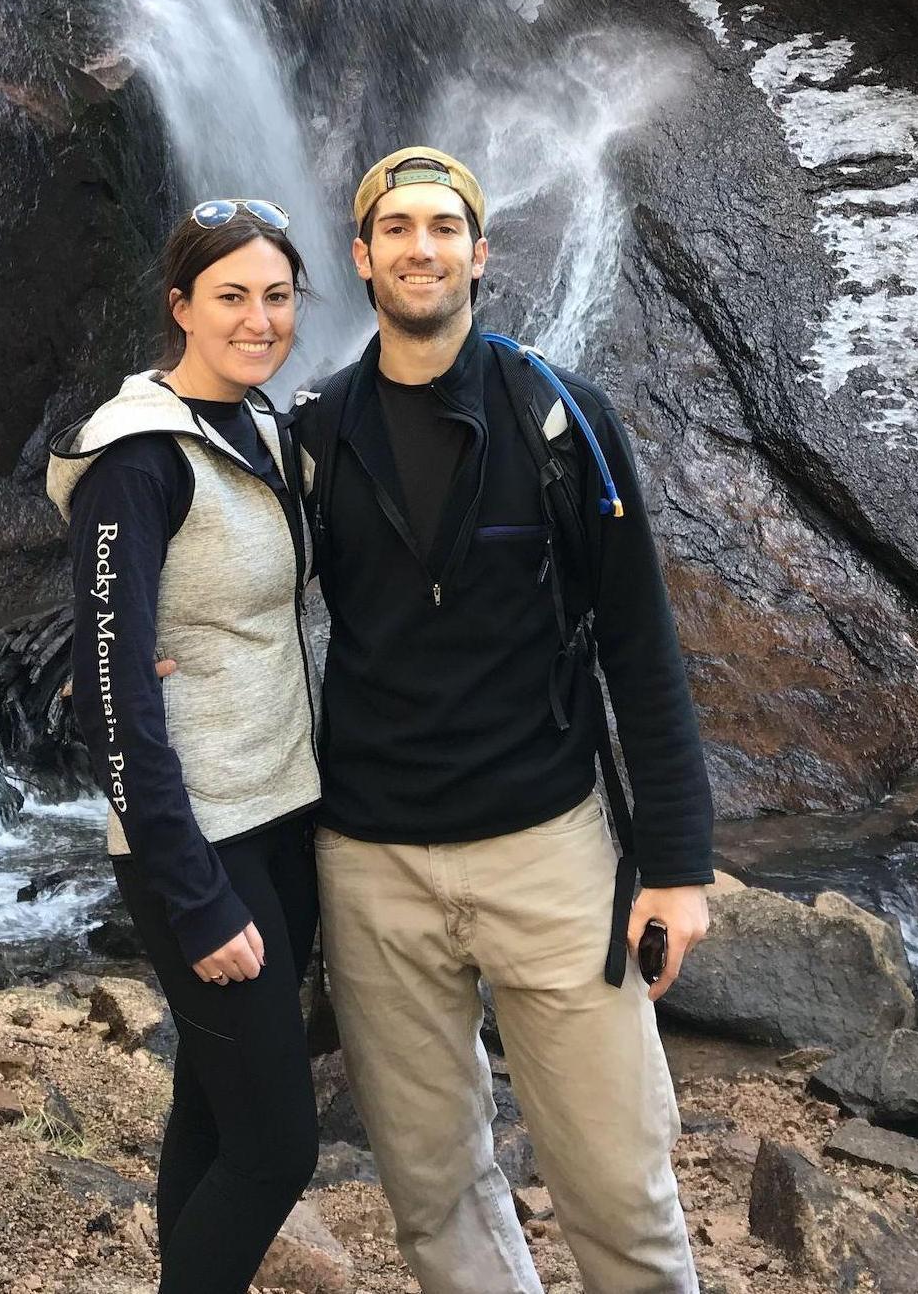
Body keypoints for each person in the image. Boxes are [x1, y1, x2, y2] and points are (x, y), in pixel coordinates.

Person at [294, 147, 715, 1294]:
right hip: (371, 863)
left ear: (480, 254)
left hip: (550, 852)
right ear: (361, 256)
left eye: (442, 227)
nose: (419, 248)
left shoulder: (565, 420)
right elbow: (245, 610)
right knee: (433, 1200)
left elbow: (639, 643)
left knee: (619, 1188)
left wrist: (678, 864)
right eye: (396, 229)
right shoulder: (317, 432)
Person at [47, 200, 321, 1294]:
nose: (257, 320)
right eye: (230, 297)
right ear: (180, 308)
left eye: (276, 296)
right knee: (277, 1149)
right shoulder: (137, 461)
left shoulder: (258, 427)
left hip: (281, 809)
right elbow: (111, 689)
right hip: (200, 842)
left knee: (213, 1106)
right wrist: (190, 887)